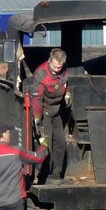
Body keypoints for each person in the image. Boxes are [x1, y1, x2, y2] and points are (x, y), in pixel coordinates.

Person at [31, 47, 70, 181]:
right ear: (49, 61)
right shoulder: (41, 74)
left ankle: (56, 174)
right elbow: (36, 98)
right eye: (54, 67)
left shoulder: (64, 71)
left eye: (59, 67)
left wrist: (68, 95)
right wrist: (37, 118)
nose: (57, 70)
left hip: (56, 110)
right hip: (44, 111)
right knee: (47, 143)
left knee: (60, 142)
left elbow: (66, 84)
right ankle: (44, 174)